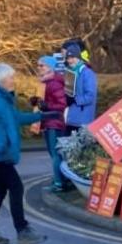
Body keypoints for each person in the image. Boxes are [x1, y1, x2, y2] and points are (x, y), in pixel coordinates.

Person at [0, 62, 45, 244]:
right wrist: (1, 146)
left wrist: (42, 116)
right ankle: (22, 230)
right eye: (11, 77)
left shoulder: (3, 99)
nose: (13, 80)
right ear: (1, 80)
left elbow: (16, 118)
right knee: (16, 188)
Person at [39, 54, 72, 193]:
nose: (39, 68)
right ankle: (60, 179)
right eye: (38, 65)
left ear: (50, 67)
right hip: (49, 121)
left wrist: (47, 105)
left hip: (54, 123)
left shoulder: (54, 83)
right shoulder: (45, 82)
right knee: (55, 154)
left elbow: (61, 104)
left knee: (55, 154)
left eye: (42, 65)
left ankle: (59, 182)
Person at [65, 40, 99, 137]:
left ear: (79, 58)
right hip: (71, 119)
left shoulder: (87, 73)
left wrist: (75, 100)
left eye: (72, 57)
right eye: (68, 58)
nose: (70, 60)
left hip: (83, 121)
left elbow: (90, 96)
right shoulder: (69, 73)